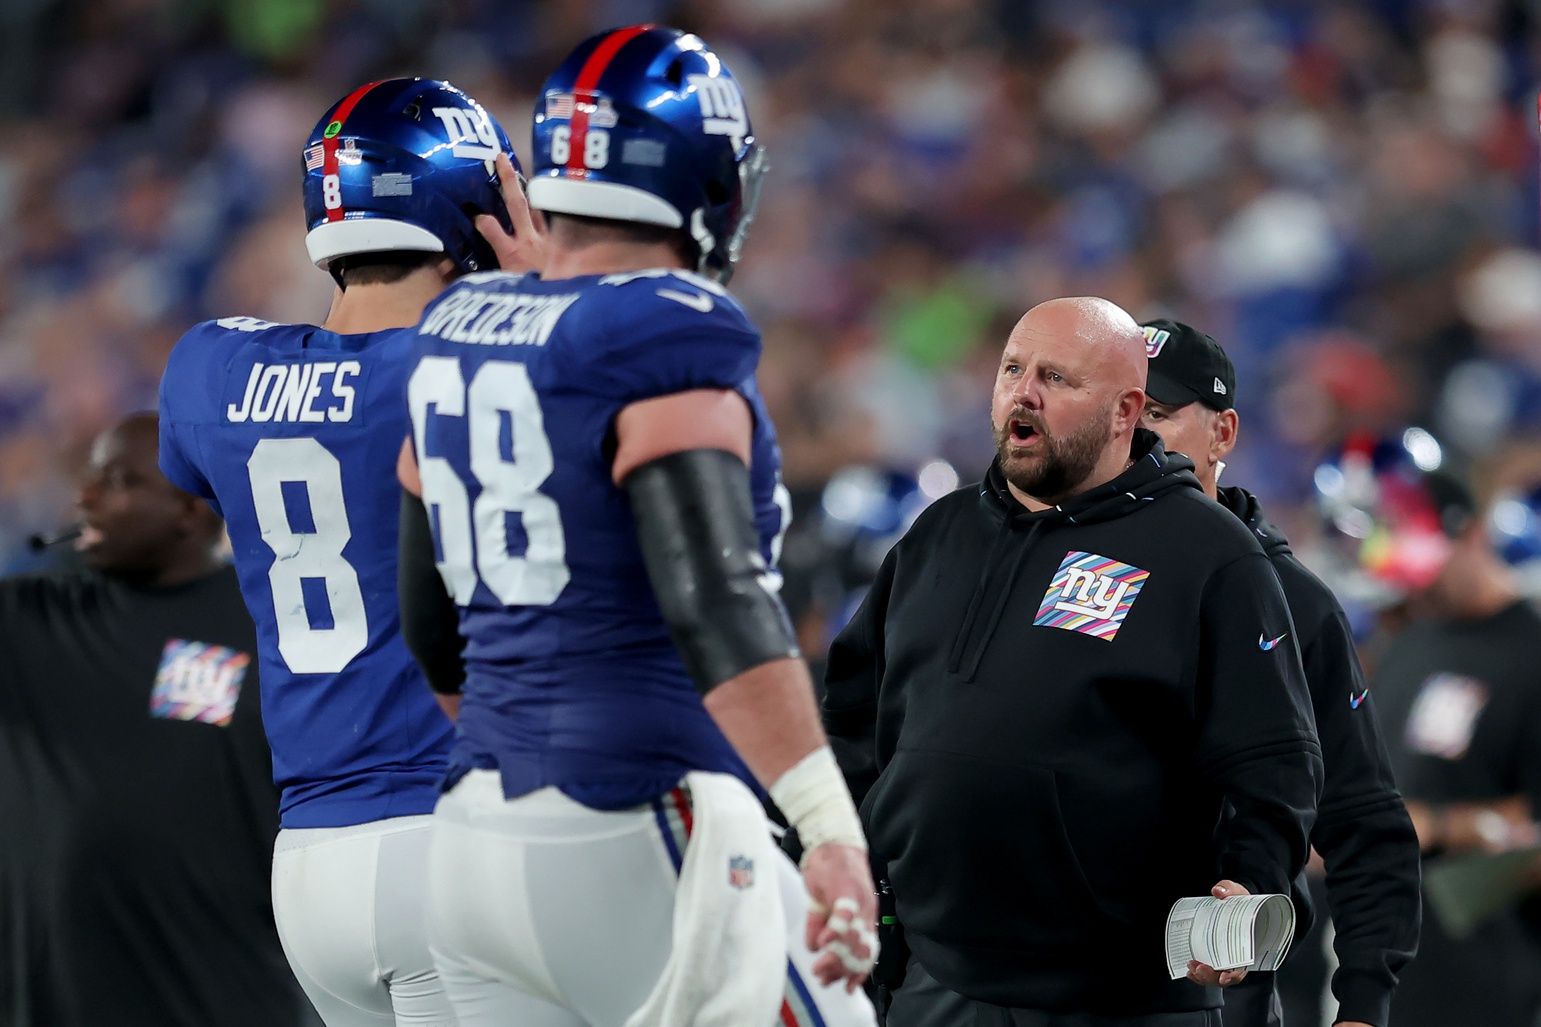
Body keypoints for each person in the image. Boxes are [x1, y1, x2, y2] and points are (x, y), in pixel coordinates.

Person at [396, 25, 878, 1026]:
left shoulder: (459, 326)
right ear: (703, 175)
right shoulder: (664, 324)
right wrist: (827, 826)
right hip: (635, 814)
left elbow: (429, 617)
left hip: (470, 836)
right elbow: (714, 596)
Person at [823, 296, 1325, 1027]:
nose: (1022, 392)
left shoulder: (1207, 554)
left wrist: (1248, 878)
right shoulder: (939, 533)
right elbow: (853, 720)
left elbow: (1275, 761)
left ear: (1125, 411)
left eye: (1056, 378)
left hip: (1120, 1000)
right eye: (1011, 369)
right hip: (933, 982)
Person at [157, 79, 516, 1024]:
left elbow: (193, 457)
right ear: (473, 209)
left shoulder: (209, 364)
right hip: (447, 840)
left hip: (311, 863)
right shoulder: (465, 369)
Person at [1140, 318, 1422, 1027]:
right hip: (1031, 984)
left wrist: (1361, 1004)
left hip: (1204, 988)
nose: (1134, 436)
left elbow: (1363, 821)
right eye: (1120, 411)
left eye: (1159, 414)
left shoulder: (1291, 602)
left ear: (1223, 433)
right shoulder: (1052, 573)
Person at [0, 413, 310, 1027]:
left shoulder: (276, 628)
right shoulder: (29, 623)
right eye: (88, 478)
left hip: (224, 996)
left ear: (191, 510)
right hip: (49, 1002)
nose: (86, 496)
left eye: (119, 480)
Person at [1313, 431, 1541, 1027]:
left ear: (1467, 533)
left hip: (1489, 975)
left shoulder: (1531, 653)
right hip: (1387, 964)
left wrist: (1438, 826)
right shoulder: (1410, 639)